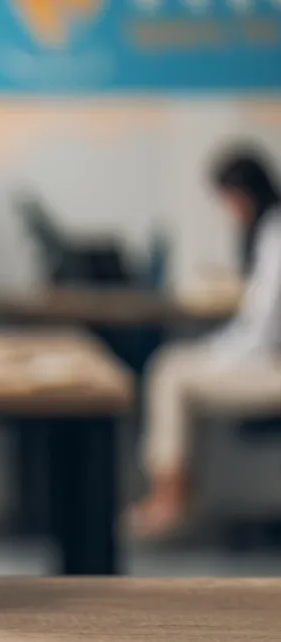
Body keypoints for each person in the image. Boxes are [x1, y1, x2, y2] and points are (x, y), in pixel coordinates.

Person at [126, 148, 281, 540]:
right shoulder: (268, 233)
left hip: (272, 366)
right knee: (175, 365)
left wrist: (213, 354)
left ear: (243, 194)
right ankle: (178, 494)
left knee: (171, 374)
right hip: (266, 357)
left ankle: (171, 499)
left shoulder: (275, 236)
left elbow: (262, 332)